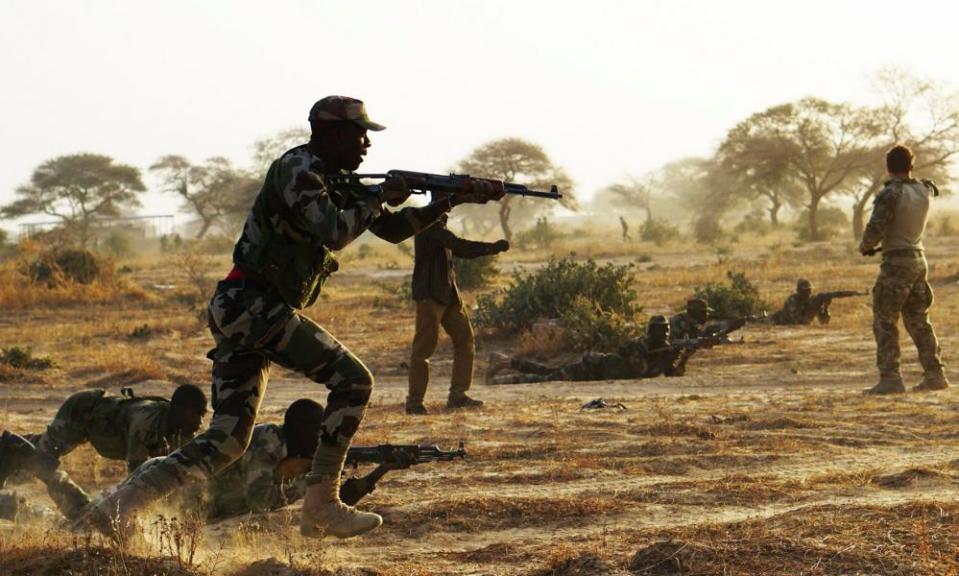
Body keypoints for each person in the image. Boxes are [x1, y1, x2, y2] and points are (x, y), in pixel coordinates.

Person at [80, 95, 503, 541]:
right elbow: (337, 232)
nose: (366, 145)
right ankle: (321, 502)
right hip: (251, 305)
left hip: (245, 308)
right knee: (354, 381)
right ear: (331, 133)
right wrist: (380, 196)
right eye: (359, 134)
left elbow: (394, 229)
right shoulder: (300, 171)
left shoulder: (336, 178)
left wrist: (447, 203)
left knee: (227, 440)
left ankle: (120, 504)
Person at [118, 399, 411, 521]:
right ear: (298, 429)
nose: (321, 438)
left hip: (184, 507)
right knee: (102, 519)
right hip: (166, 490)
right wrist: (307, 481)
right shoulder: (268, 444)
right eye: (315, 431)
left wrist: (380, 471)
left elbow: (332, 503)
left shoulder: (295, 452)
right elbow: (260, 500)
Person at [0, 385, 206, 521]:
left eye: (203, 414)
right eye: (195, 413)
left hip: (99, 423)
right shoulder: (145, 424)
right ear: (178, 409)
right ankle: (13, 448)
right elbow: (137, 476)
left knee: (44, 448)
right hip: (83, 411)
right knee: (44, 461)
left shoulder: (180, 429)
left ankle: (14, 447)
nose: (199, 421)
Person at [860, 145, 948, 395]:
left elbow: (876, 228)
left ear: (888, 167)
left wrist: (865, 245)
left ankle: (890, 378)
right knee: (919, 320)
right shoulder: (924, 190)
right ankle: (935, 374)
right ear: (911, 165)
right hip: (919, 259)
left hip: (896, 262)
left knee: (884, 319)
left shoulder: (891, 193)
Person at [407, 201, 509, 414]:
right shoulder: (429, 226)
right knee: (423, 349)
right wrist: (492, 248)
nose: (449, 208)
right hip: (430, 294)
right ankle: (414, 402)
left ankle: (458, 395)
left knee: (465, 340)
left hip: (448, 294)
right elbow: (461, 247)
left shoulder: (438, 226)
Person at [485, 316, 688, 384]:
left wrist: (683, 357)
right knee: (549, 377)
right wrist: (666, 357)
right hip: (592, 367)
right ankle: (503, 378)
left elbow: (672, 374)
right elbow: (638, 372)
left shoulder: (662, 350)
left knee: (547, 372)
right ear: (653, 331)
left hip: (597, 373)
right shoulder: (640, 345)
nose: (665, 335)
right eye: (662, 331)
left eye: (667, 331)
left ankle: (506, 362)